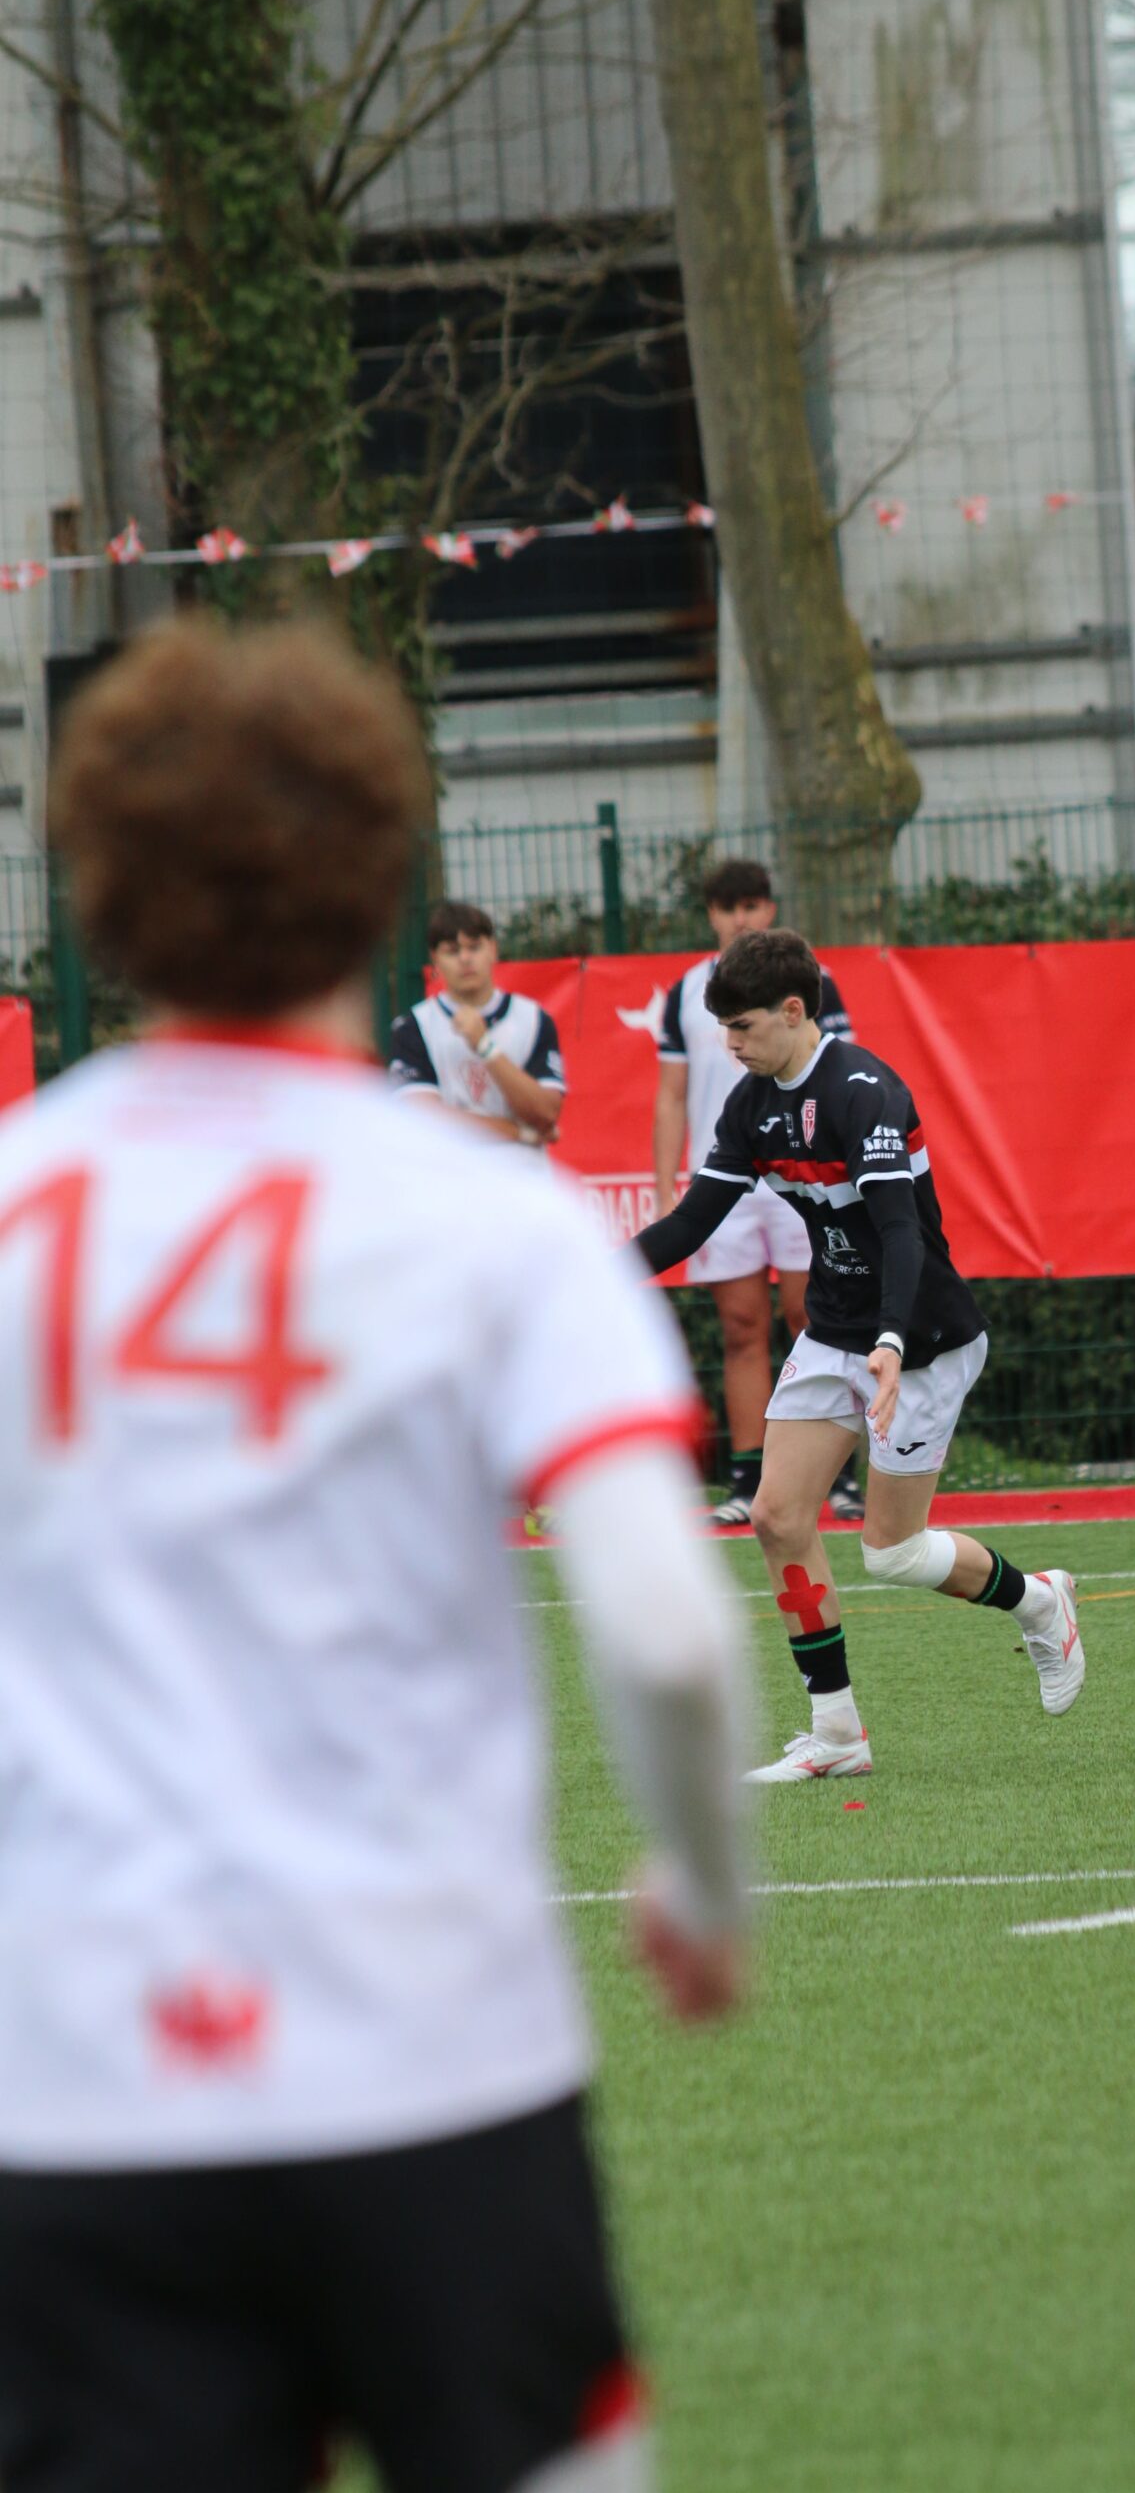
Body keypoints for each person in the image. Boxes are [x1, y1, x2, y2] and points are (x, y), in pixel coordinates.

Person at [0, 617, 750, 2493]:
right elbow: (666, 1629)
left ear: (99, 885)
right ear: (381, 870)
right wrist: (701, 1881)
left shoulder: (17, 1204)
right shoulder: (493, 1227)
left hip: (74, 2090)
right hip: (433, 2063)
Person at [635, 927, 1081, 1783]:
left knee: (892, 1552)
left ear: (791, 1011)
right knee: (776, 1517)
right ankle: (837, 1733)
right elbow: (691, 1224)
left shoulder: (864, 1091)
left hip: (922, 1340)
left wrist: (890, 1339)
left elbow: (900, 1231)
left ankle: (1038, 1601)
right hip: (834, 1333)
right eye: (722, 1029)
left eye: (742, 1027)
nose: (729, 1045)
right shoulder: (749, 1106)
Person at [654, 857, 862, 1528]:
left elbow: (840, 1079)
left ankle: (838, 1478)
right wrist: (666, 1188)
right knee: (741, 1328)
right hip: (726, 1179)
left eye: (751, 905)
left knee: (815, 1318)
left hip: (804, 1177)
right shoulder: (685, 992)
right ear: (711, 915)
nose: (740, 918)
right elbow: (671, 1095)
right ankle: (748, 1479)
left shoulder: (810, 981)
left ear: (769, 909)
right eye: (727, 907)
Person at [390, 899, 565, 1146]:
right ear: (435, 959)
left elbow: (546, 1114)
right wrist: (517, 1132)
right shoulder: (414, 1027)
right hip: (450, 1168)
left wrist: (485, 1046)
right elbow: (422, 1120)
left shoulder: (533, 1019)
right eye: (452, 951)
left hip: (520, 1168)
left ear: (492, 949)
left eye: (474, 947)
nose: (465, 958)